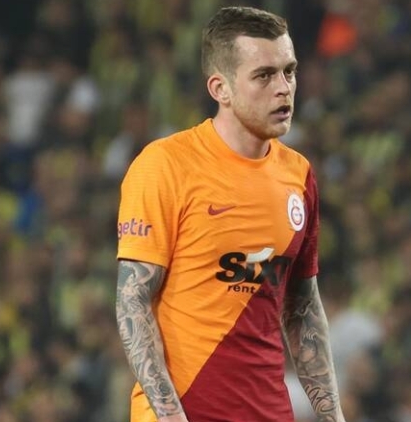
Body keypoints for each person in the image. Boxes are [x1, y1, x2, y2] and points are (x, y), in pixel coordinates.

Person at [115, 6, 346, 422]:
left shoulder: (298, 175)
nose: (283, 88)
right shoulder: (166, 165)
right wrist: (170, 416)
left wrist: (333, 417)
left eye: (289, 72)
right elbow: (133, 300)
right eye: (264, 75)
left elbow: (302, 306)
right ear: (220, 88)